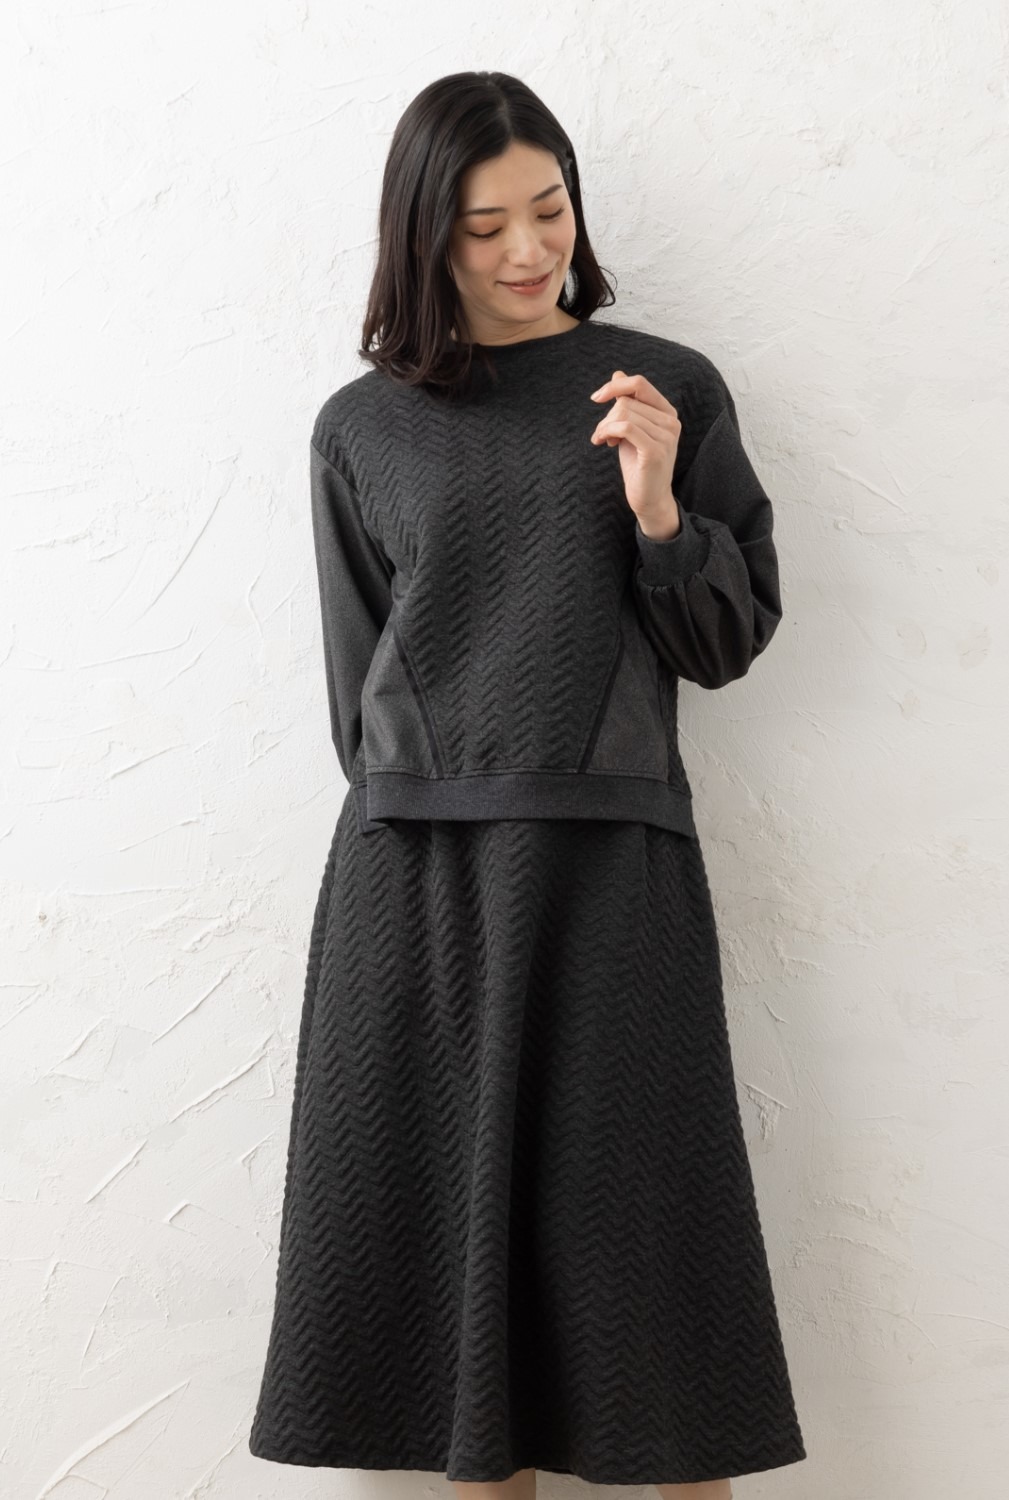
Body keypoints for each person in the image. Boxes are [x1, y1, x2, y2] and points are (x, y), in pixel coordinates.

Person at [248, 70, 807, 1499]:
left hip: (614, 870)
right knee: (456, 1289)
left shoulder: (664, 389)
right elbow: (358, 700)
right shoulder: (362, 427)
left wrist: (661, 510)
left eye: (548, 210)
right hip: (417, 883)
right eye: (485, 225)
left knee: (655, 1275)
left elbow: (725, 644)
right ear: (423, 236)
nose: (527, 250)